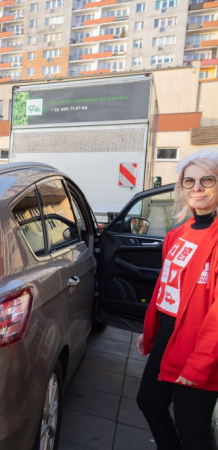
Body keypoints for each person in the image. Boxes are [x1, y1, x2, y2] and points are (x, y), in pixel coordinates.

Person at [136, 148, 218, 450]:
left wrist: (197, 366)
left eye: (207, 180)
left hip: (201, 351)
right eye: (189, 181)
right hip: (168, 340)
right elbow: (165, 289)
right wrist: (152, 331)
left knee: (193, 432)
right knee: (149, 402)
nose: (197, 187)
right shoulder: (177, 234)